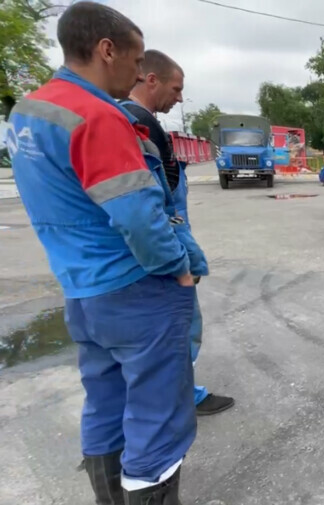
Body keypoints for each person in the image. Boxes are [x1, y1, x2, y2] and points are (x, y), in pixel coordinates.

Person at [8, 2, 204, 503]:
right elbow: (139, 215)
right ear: (106, 49)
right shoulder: (98, 115)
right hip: (136, 289)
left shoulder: (27, 113)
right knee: (158, 421)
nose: (140, 73)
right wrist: (178, 271)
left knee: (105, 406)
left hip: (82, 291)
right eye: (136, 61)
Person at [121, 49, 235, 417]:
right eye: (176, 88)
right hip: (163, 252)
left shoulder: (144, 124)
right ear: (150, 80)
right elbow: (144, 210)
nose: (181, 98)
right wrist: (178, 265)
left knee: (173, 332)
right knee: (174, 330)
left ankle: (174, 394)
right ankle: (173, 402)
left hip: (169, 243)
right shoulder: (135, 125)